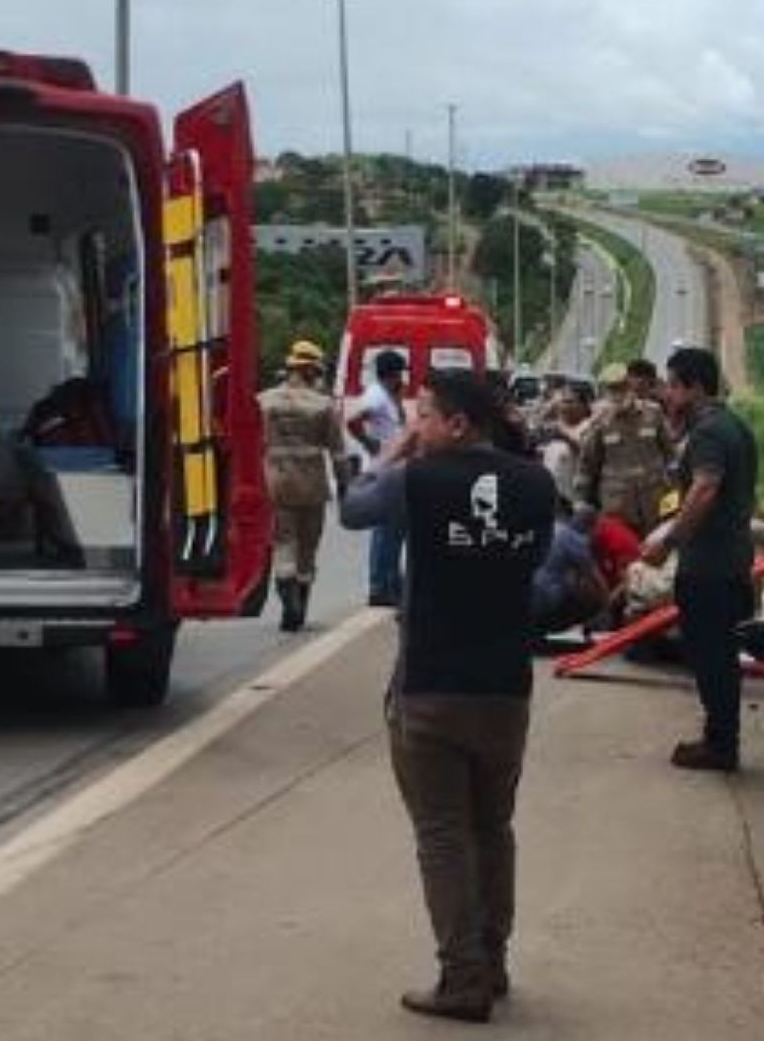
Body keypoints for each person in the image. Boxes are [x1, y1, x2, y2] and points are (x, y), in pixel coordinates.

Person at [340, 370, 555, 1023]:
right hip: (506, 688)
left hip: (432, 686)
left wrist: (394, 447)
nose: (417, 425)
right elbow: (537, 560)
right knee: (493, 828)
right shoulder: (537, 483)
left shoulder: (417, 480)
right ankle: (491, 962)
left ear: (457, 423)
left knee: (442, 835)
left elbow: (352, 508)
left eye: (424, 416)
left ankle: (460, 979)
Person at [640, 347, 757, 773]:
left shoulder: (708, 432)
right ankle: (719, 739)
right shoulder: (736, 427)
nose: (666, 395)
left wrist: (668, 543)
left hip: (709, 565)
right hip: (730, 559)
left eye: (673, 385)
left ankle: (721, 746)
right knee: (719, 655)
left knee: (711, 656)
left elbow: (705, 489)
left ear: (696, 387)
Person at [258, 339, 348, 631]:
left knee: (284, 541)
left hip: (275, 479)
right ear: (312, 370)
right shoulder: (323, 405)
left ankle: (287, 594)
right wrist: (345, 486)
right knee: (308, 546)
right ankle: (300, 602)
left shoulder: (264, 401)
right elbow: (338, 452)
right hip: (311, 483)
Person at [576, 362, 675, 537]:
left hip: (653, 505)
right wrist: (581, 503)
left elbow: (672, 460)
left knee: (653, 557)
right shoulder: (600, 421)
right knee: (621, 559)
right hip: (616, 508)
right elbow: (587, 465)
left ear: (630, 386)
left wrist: (672, 506)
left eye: (622, 388)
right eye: (612, 390)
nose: (618, 395)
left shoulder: (653, 413)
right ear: (606, 392)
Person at [347, 350, 409, 606]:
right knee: (386, 531)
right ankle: (380, 586)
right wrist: (369, 442)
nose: (403, 378)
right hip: (383, 470)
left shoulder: (388, 397)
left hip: (392, 469)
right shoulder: (375, 396)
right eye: (400, 373)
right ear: (393, 374)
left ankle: (389, 582)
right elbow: (352, 420)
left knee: (393, 531)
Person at [529, 500, 609, 636]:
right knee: (587, 588)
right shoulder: (574, 539)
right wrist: (605, 604)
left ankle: (534, 629)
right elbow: (596, 578)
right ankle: (546, 624)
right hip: (546, 602)